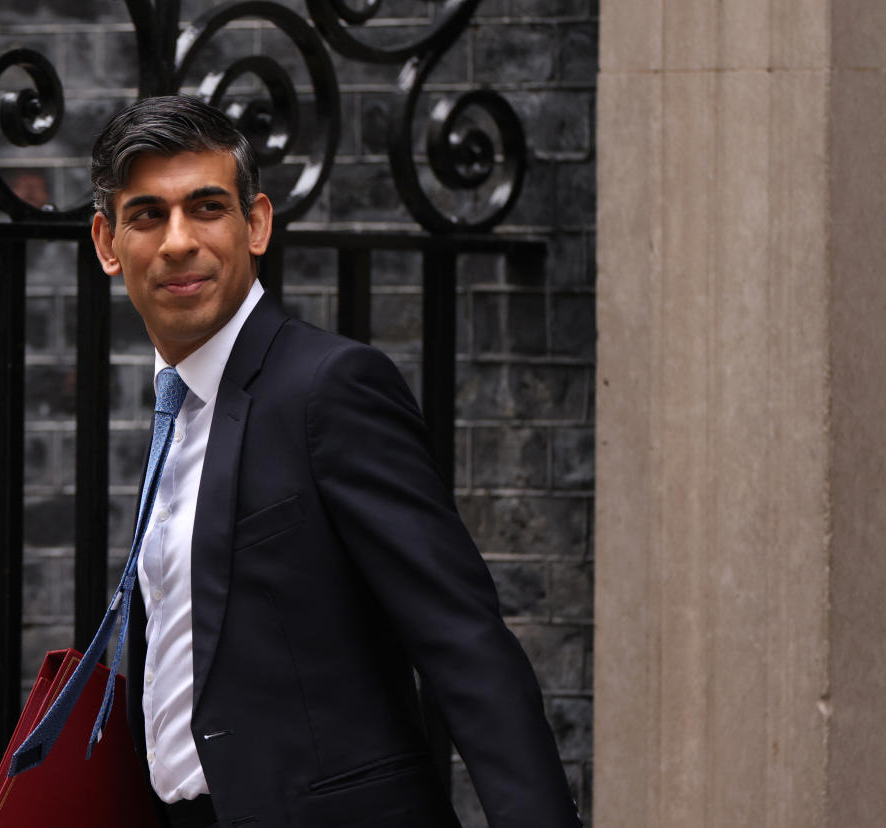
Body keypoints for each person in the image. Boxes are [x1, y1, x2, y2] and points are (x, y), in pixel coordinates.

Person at [88, 95, 581, 828]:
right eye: (148, 215)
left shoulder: (330, 388)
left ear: (256, 224)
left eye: (207, 207)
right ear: (108, 243)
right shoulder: (177, 407)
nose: (178, 241)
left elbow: (461, 639)